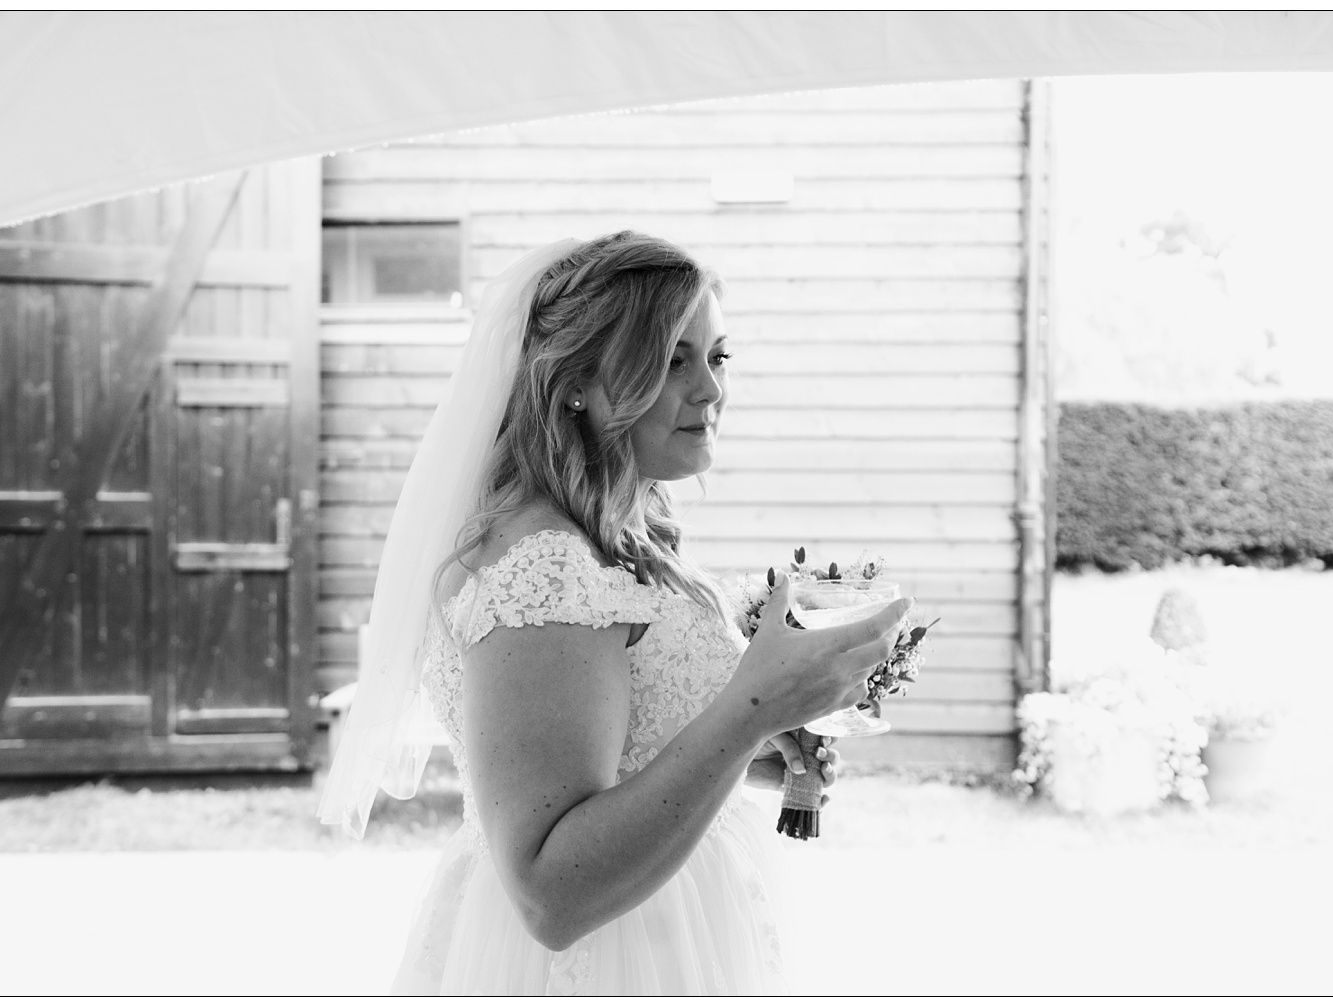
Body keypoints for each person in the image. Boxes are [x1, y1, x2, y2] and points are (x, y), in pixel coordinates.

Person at [320, 232, 911, 994]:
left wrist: (759, 741)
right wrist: (749, 709)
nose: (710, 389)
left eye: (717, 356)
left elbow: (625, 747)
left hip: (677, 930)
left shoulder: (616, 534)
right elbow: (550, 891)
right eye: (673, 359)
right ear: (577, 382)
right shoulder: (547, 567)